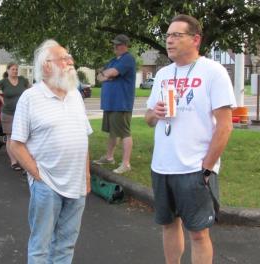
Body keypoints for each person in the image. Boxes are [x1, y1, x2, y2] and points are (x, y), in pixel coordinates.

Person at [144, 15, 235, 264]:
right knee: (169, 225)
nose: (169, 41)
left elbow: (225, 126)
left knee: (198, 233)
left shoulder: (213, 72)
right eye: (167, 36)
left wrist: (207, 167)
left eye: (176, 35)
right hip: (162, 166)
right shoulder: (163, 74)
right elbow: (148, 118)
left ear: (196, 39)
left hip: (194, 168)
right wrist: (155, 113)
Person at [10, 39, 92, 263]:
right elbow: (15, 144)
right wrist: (38, 176)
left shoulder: (75, 95)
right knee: (41, 247)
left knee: (66, 245)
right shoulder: (30, 98)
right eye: (64, 59)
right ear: (47, 66)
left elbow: (83, 137)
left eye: (69, 58)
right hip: (47, 185)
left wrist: (86, 175)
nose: (70, 62)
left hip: (77, 185)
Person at [94, 34, 136, 174]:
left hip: (121, 103)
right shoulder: (113, 60)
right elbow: (99, 77)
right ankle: (109, 157)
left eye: (118, 44)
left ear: (125, 45)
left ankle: (126, 163)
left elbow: (112, 72)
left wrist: (108, 74)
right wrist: (107, 75)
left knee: (124, 133)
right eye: (114, 44)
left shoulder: (128, 59)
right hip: (110, 103)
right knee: (112, 133)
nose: (115, 47)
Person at [0, 62, 31, 171]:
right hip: (8, 114)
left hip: (22, 113)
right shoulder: (4, 82)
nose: (15, 71)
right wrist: (0, 99)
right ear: (8, 70)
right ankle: (13, 161)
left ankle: (23, 160)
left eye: (16, 69)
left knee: (23, 137)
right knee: (10, 137)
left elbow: (31, 89)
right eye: (13, 69)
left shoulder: (23, 80)